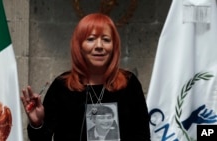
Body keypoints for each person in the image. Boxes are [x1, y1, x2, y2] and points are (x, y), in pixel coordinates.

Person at [21, 13, 150, 141]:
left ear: (114, 47)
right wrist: (37, 124)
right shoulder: (61, 86)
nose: (99, 46)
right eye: (91, 39)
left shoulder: (129, 83)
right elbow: (41, 138)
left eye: (106, 39)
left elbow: (143, 136)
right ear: (79, 46)